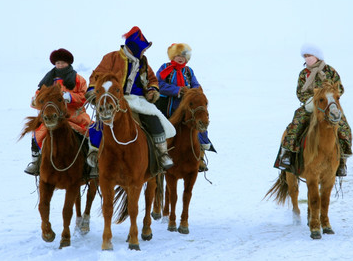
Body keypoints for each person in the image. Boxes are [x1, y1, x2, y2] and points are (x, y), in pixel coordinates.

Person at [84, 26, 175, 176]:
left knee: (154, 118)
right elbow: (97, 76)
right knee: (102, 122)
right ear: (135, 47)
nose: (144, 52)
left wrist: (152, 91)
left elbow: (152, 79)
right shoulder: (111, 57)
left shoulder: (143, 62)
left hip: (138, 100)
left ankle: (162, 153)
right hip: (115, 99)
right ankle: (94, 153)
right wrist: (93, 91)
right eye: (143, 49)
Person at [276, 43, 352, 176]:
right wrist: (310, 100)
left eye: (309, 55)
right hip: (310, 105)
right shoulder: (303, 74)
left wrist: (330, 96)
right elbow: (300, 91)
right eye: (305, 56)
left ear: (317, 56)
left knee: (344, 127)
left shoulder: (330, 71)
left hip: (329, 106)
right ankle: (287, 154)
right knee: (296, 124)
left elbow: (339, 88)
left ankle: (342, 161)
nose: (307, 59)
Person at [24, 48, 92, 176]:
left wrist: (70, 97)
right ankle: (35, 162)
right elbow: (39, 95)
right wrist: (36, 100)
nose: (60, 65)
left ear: (68, 63)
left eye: (62, 62)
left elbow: (84, 97)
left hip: (74, 115)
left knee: (92, 132)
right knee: (37, 131)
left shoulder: (78, 79)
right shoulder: (48, 80)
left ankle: (92, 161)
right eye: (58, 63)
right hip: (52, 117)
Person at [155, 43, 216, 172]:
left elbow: (196, 84)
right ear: (173, 56)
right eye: (178, 55)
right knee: (159, 126)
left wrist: (192, 92)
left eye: (183, 55)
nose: (180, 58)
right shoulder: (165, 68)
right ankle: (159, 154)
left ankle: (200, 156)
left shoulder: (188, 71)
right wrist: (177, 90)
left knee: (200, 122)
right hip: (169, 105)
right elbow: (159, 84)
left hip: (187, 106)